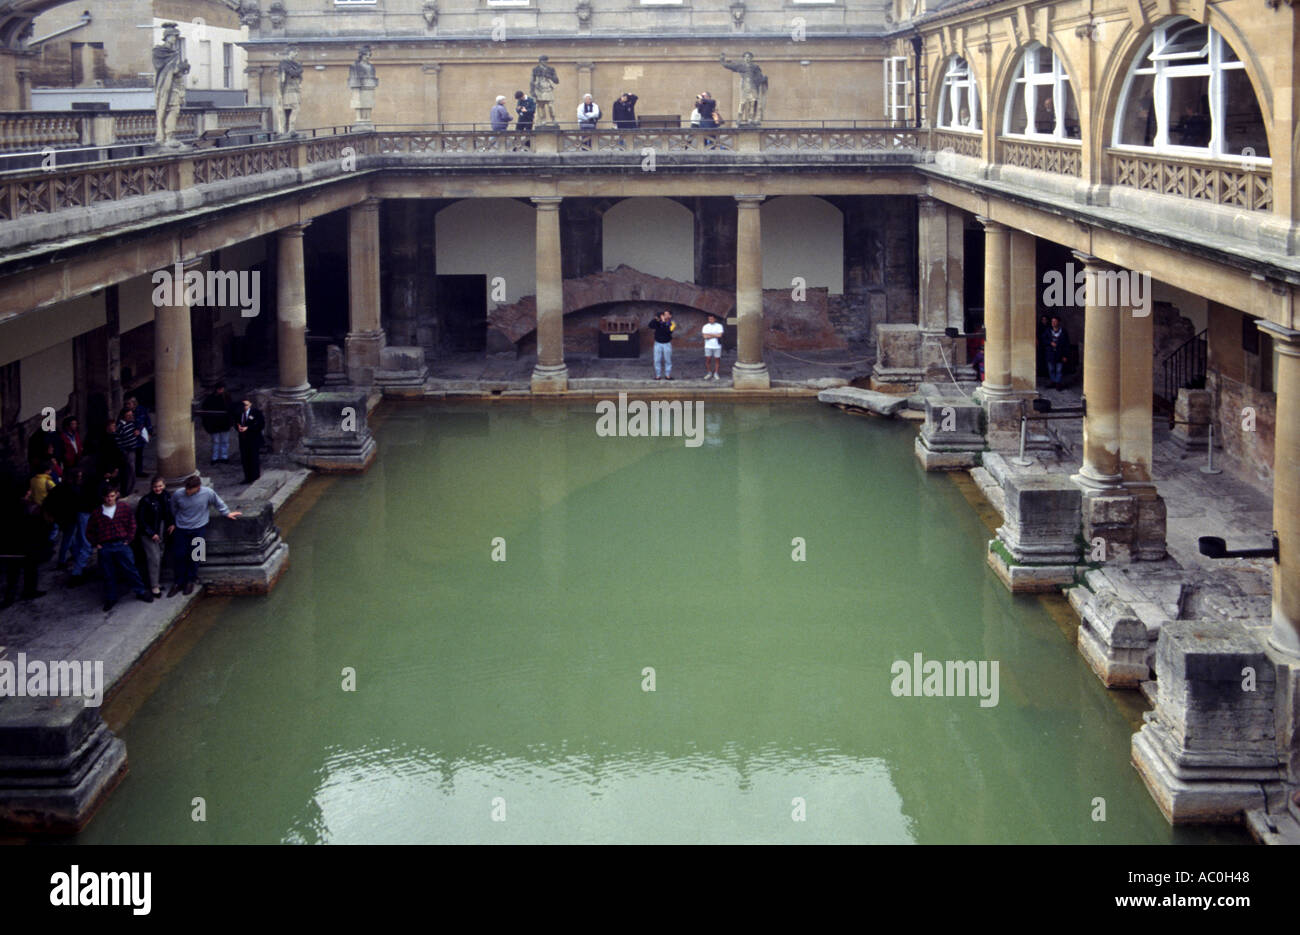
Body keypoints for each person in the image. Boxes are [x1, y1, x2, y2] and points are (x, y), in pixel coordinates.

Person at [169, 474, 240, 597]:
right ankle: (178, 582)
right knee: (179, 555)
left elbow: (218, 502)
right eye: (186, 488)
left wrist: (226, 513)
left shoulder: (208, 493)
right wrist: (174, 522)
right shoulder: (178, 494)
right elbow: (173, 508)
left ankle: (190, 580)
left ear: (198, 487)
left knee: (196, 556)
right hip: (181, 528)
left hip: (199, 528)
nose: (187, 491)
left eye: (190, 489)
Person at [86, 485, 153, 612]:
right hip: (105, 546)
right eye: (107, 497)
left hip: (121, 544)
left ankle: (141, 591)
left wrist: (128, 539)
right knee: (108, 573)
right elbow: (89, 531)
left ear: (116, 495)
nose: (109, 499)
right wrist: (96, 543)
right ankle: (111, 598)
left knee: (131, 569)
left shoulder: (124, 508)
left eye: (112, 496)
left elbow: (132, 524)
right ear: (103, 497)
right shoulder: (97, 513)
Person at [0, 487, 49, 609]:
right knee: (30, 569)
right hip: (28, 544)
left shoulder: (5, 506)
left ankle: (9, 598)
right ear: (27, 492)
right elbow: (40, 526)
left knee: (12, 573)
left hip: (11, 545)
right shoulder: (31, 508)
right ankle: (29, 591)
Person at [136, 475, 175, 599]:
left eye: (160, 486)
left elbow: (170, 512)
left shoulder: (167, 496)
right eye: (155, 487)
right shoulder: (146, 500)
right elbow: (141, 520)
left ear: (164, 486)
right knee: (154, 558)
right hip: (150, 532)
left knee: (160, 556)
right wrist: (151, 533)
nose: (158, 489)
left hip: (162, 529)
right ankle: (154, 586)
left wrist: (172, 523)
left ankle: (156, 582)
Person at [201, 383, 237, 464]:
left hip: (224, 422)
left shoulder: (226, 397)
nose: (221, 390)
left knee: (224, 441)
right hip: (215, 423)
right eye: (220, 389)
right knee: (216, 441)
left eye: (222, 389)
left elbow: (230, 408)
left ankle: (224, 457)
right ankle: (215, 458)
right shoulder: (210, 399)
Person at [235, 397, 266, 485]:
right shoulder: (239, 412)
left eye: (246, 405)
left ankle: (255, 476)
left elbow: (261, 424)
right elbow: (235, 422)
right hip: (243, 439)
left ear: (250, 404)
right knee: (245, 459)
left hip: (253, 439)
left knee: (254, 458)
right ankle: (247, 477)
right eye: (243, 405)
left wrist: (248, 428)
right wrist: (238, 427)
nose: (244, 407)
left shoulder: (256, 412)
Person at [114, 406, 141, 495]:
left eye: (131, 415)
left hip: (133, 450)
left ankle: (130, 490)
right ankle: (127, 492)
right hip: (127, 452)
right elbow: (118, 440)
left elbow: (138, 425)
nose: (131, 416)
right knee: (129, 472)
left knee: (132, 473)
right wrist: (123, 451)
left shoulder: (131, 423)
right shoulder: (120, 426)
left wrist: (138, 430)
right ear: (123, 415)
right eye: (128, 415)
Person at [126, 396, 152, 476]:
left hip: (139, 438)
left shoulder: (142, 410)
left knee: (139, 455)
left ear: (134, 404)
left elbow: (147, 421)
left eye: (129, 404)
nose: (127, 405)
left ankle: (139, 471)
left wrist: (149, 433)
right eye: (126, 404)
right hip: (129, 437)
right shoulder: (125, 411)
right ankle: (131, 472)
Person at [648, 308, 676, 380]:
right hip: (658, 343)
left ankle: (668, 375)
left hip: (667, 344)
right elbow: (650, 326)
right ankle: (658, 375)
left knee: (668, 360)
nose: (665, 316)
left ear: (670, 316)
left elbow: (668, 331)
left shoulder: (672, 323)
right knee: (657, 360)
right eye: (664, 314)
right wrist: (656, 319)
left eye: (667, 314)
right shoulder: (658, 322)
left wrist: (663, 322)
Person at [1044, 316, 1070, 390]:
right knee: (1051, 369)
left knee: (1059, 370)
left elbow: (1067, 344)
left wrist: (1065, 355)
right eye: (1052, 321)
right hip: (1050, 354)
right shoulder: (1048, 331)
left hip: (1060, 354)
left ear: (1058, 322)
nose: (1053, 323)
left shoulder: (1063, 331)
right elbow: (1043, 340)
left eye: (1055, 321)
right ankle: (1053, 381)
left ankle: (1058, 383)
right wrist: (1050, 342)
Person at [702, 313, 724, 380]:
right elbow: (704, 336)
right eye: (709, 319)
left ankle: (716, 373)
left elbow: (720, 335)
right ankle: (709, 372)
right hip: (708, 346)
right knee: (708, 359)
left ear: (715, 319)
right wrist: (715, 335)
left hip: (717, 346)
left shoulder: (719, 326)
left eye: (711, 319)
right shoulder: (705, 326)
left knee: (717, 360)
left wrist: (710, 335)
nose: (710, 320)